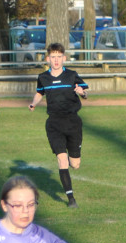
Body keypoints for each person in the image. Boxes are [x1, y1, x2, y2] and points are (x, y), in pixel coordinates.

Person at [28, 43, 88, 209]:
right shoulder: (43, 77)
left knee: (75, 164)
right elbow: (40, 92)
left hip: (73, 123)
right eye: (53, 57)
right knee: (62, 159)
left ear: (64, 58)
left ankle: (71, 157)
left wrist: (82, 93)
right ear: (48, 59)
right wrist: (33, 103)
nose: (56, 60)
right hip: (54, 124)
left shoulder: (72, 75)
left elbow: (85, 92)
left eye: (59, 57)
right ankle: (71, 199)